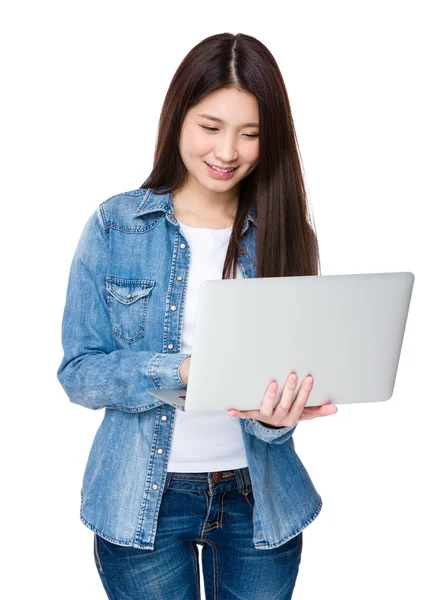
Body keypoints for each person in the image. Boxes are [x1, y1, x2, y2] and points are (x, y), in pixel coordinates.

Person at [57, 31, 338, 600]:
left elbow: (276, 395)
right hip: (143, 498)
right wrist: (183, 371)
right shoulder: (118, 225)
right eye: (211, 127)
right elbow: (80, 373)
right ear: (177, 119)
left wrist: (279, 415)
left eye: (251, 134)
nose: (227, 151)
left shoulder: (288, 237)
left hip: (259, 501)